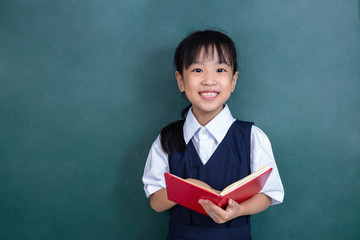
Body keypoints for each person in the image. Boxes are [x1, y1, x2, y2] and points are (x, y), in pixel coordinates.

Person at [142, 30, 284, 240]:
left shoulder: (252, 137)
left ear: (233, 80)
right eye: (198, 70)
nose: (209, 80)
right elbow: (156, 202)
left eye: (220, 69)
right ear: (180, 80)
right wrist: (188, 187)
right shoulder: (167, 139)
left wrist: (238, 210)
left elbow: (268, 194)